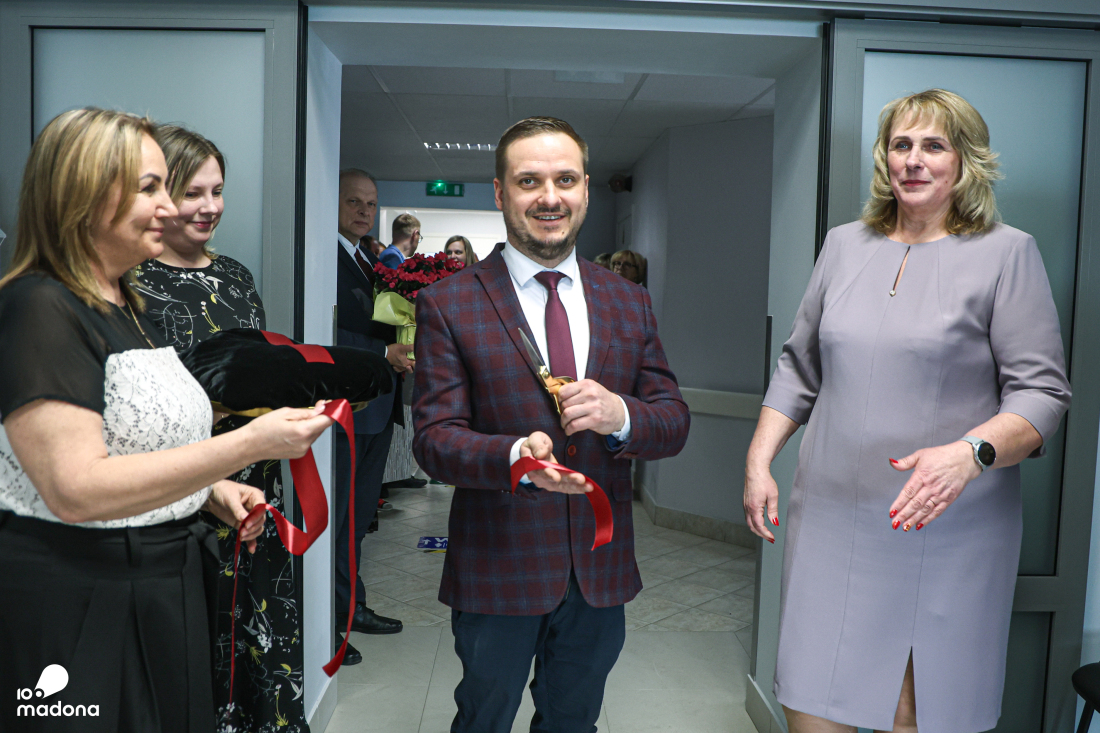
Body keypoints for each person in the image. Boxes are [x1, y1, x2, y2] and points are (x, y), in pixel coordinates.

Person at [743, 89, 1071, 733]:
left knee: (915, 711)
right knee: (811, 693)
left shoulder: (1007, 253)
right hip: (831, 517)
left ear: (965, 162)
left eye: (934, 146)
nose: (914, 160)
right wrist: (759, 462)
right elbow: (799, 368)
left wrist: (970, 454)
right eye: (901, 145)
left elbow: (1042, 394)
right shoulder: (843, 245)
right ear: (884, 159)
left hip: (944, 524)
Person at [0, 107, 333, 733]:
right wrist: (247, 446)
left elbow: (132, 445)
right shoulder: (40, 306)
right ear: (84, 195)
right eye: (150, 187)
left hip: (162, 576)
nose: (169, 206)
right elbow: (75, 488)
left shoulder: (129, 305)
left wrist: (210, 492)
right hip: (81, 588)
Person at [412, 116, 690, 733]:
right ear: (500, 192)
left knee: (574, 722)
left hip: (599, 569)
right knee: (483, 720)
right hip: (499, 566)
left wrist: (622, 415)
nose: (549, 197)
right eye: (528, 181)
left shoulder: (628, 301)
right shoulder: (449, 303)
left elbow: (673, 420)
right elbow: (432, 439)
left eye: (565, 179)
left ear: (586, 189)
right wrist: (514, 456)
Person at [131, 125, 308, 732]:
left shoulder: (234, 275)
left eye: (218, 190)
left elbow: (250, 370)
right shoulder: (131, 284)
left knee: (261, 635)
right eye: (193, 193)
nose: (210, 207)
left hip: (256, 483)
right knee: (194, 649)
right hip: (178, 492)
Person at [335, 168, 409, 657]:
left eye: (371, 204)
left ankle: (351, 606)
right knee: (339, 517)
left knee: (359, 516)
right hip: (347, 407)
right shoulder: (323, 257)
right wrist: (384, 354)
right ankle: (330, 622)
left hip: (378, 407)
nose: (364, 211)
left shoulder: (370, 258)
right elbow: (321, 332)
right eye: (353, 202)